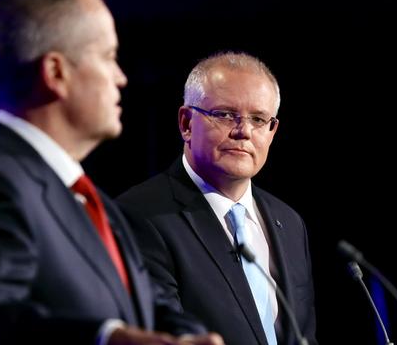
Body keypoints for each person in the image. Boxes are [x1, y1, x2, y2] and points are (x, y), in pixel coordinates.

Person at [0, 0, 223, 345]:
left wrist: (191, 338)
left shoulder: (93, 202)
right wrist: (106, 339)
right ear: (56, 73)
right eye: (109, 57)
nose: (121, 77)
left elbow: (150, 306)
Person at [117, 51, 318, 345]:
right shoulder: (139, 215)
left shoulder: (288, 222)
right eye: (225, 115)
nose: (244, 131)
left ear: (272, 131)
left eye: (259, 119)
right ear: (186, 123)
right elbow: (163, 333)